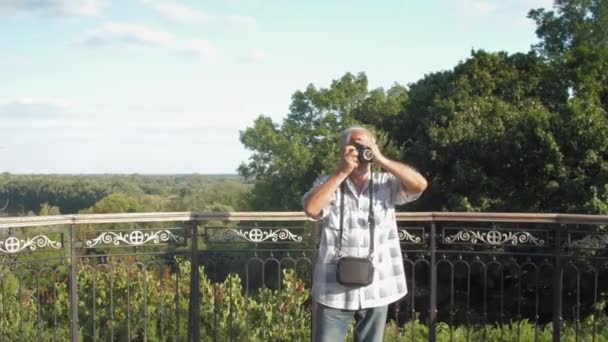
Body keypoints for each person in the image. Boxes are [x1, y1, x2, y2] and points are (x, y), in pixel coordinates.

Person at [302, 126, 427, 342]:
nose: (361, 152)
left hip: (377, 286)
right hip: (333, 289)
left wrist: (381, 158)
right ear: (343, 150)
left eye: (365, 145)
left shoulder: (386, 183)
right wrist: (342, 171)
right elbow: (311, 209)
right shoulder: (328, 183)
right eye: (355, 146)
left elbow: (419, 185)